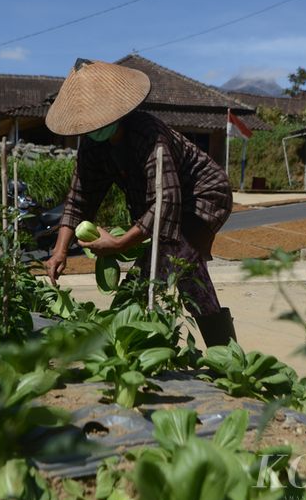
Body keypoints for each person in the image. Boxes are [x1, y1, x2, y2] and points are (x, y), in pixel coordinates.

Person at [43, 58, 236, 346]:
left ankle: (132, 342)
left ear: (115, 112)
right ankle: (227, 357)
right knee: (188, 273)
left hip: (201, 199)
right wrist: (59, 250)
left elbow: (167, 199)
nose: (93, 129)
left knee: (151, 274)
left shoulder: (149, 134)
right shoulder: (93, 147)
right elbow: (78, 199)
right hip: (167, 205)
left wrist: (121, 243)